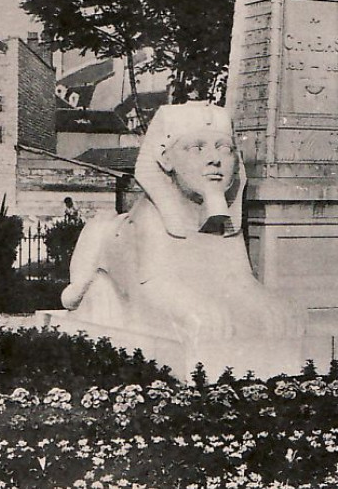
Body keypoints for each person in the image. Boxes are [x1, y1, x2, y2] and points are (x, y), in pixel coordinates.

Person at [61, 103, 303, 343]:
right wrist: (191, 310)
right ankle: (83, 283)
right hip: (111, 251)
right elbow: (154, 286)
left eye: (224, 148)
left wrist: (264, 306)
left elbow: (239, 280)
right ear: (166, 159)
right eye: (196, 148)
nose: (214, 160)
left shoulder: (225, 221)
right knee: (98, 233)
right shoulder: (151, 218)